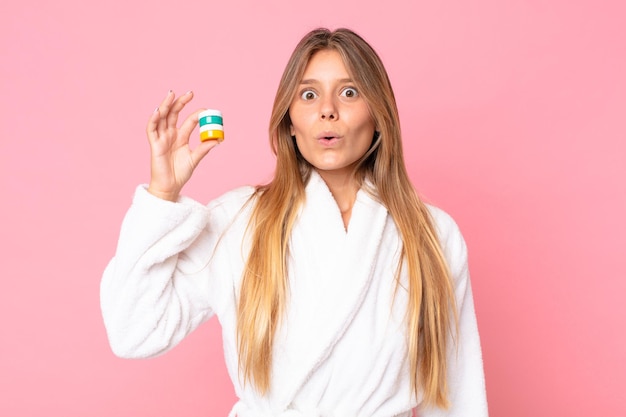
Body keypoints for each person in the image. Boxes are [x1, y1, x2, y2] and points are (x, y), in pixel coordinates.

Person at [100, 28, 488, 417]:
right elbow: (133, 331)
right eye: (308, 94)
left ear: (380, 117)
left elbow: (457, 393)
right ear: (288, 121)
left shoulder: (432, 234)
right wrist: (162, 196)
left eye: (349, 92)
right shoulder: (238, 221)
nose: (327, 110)